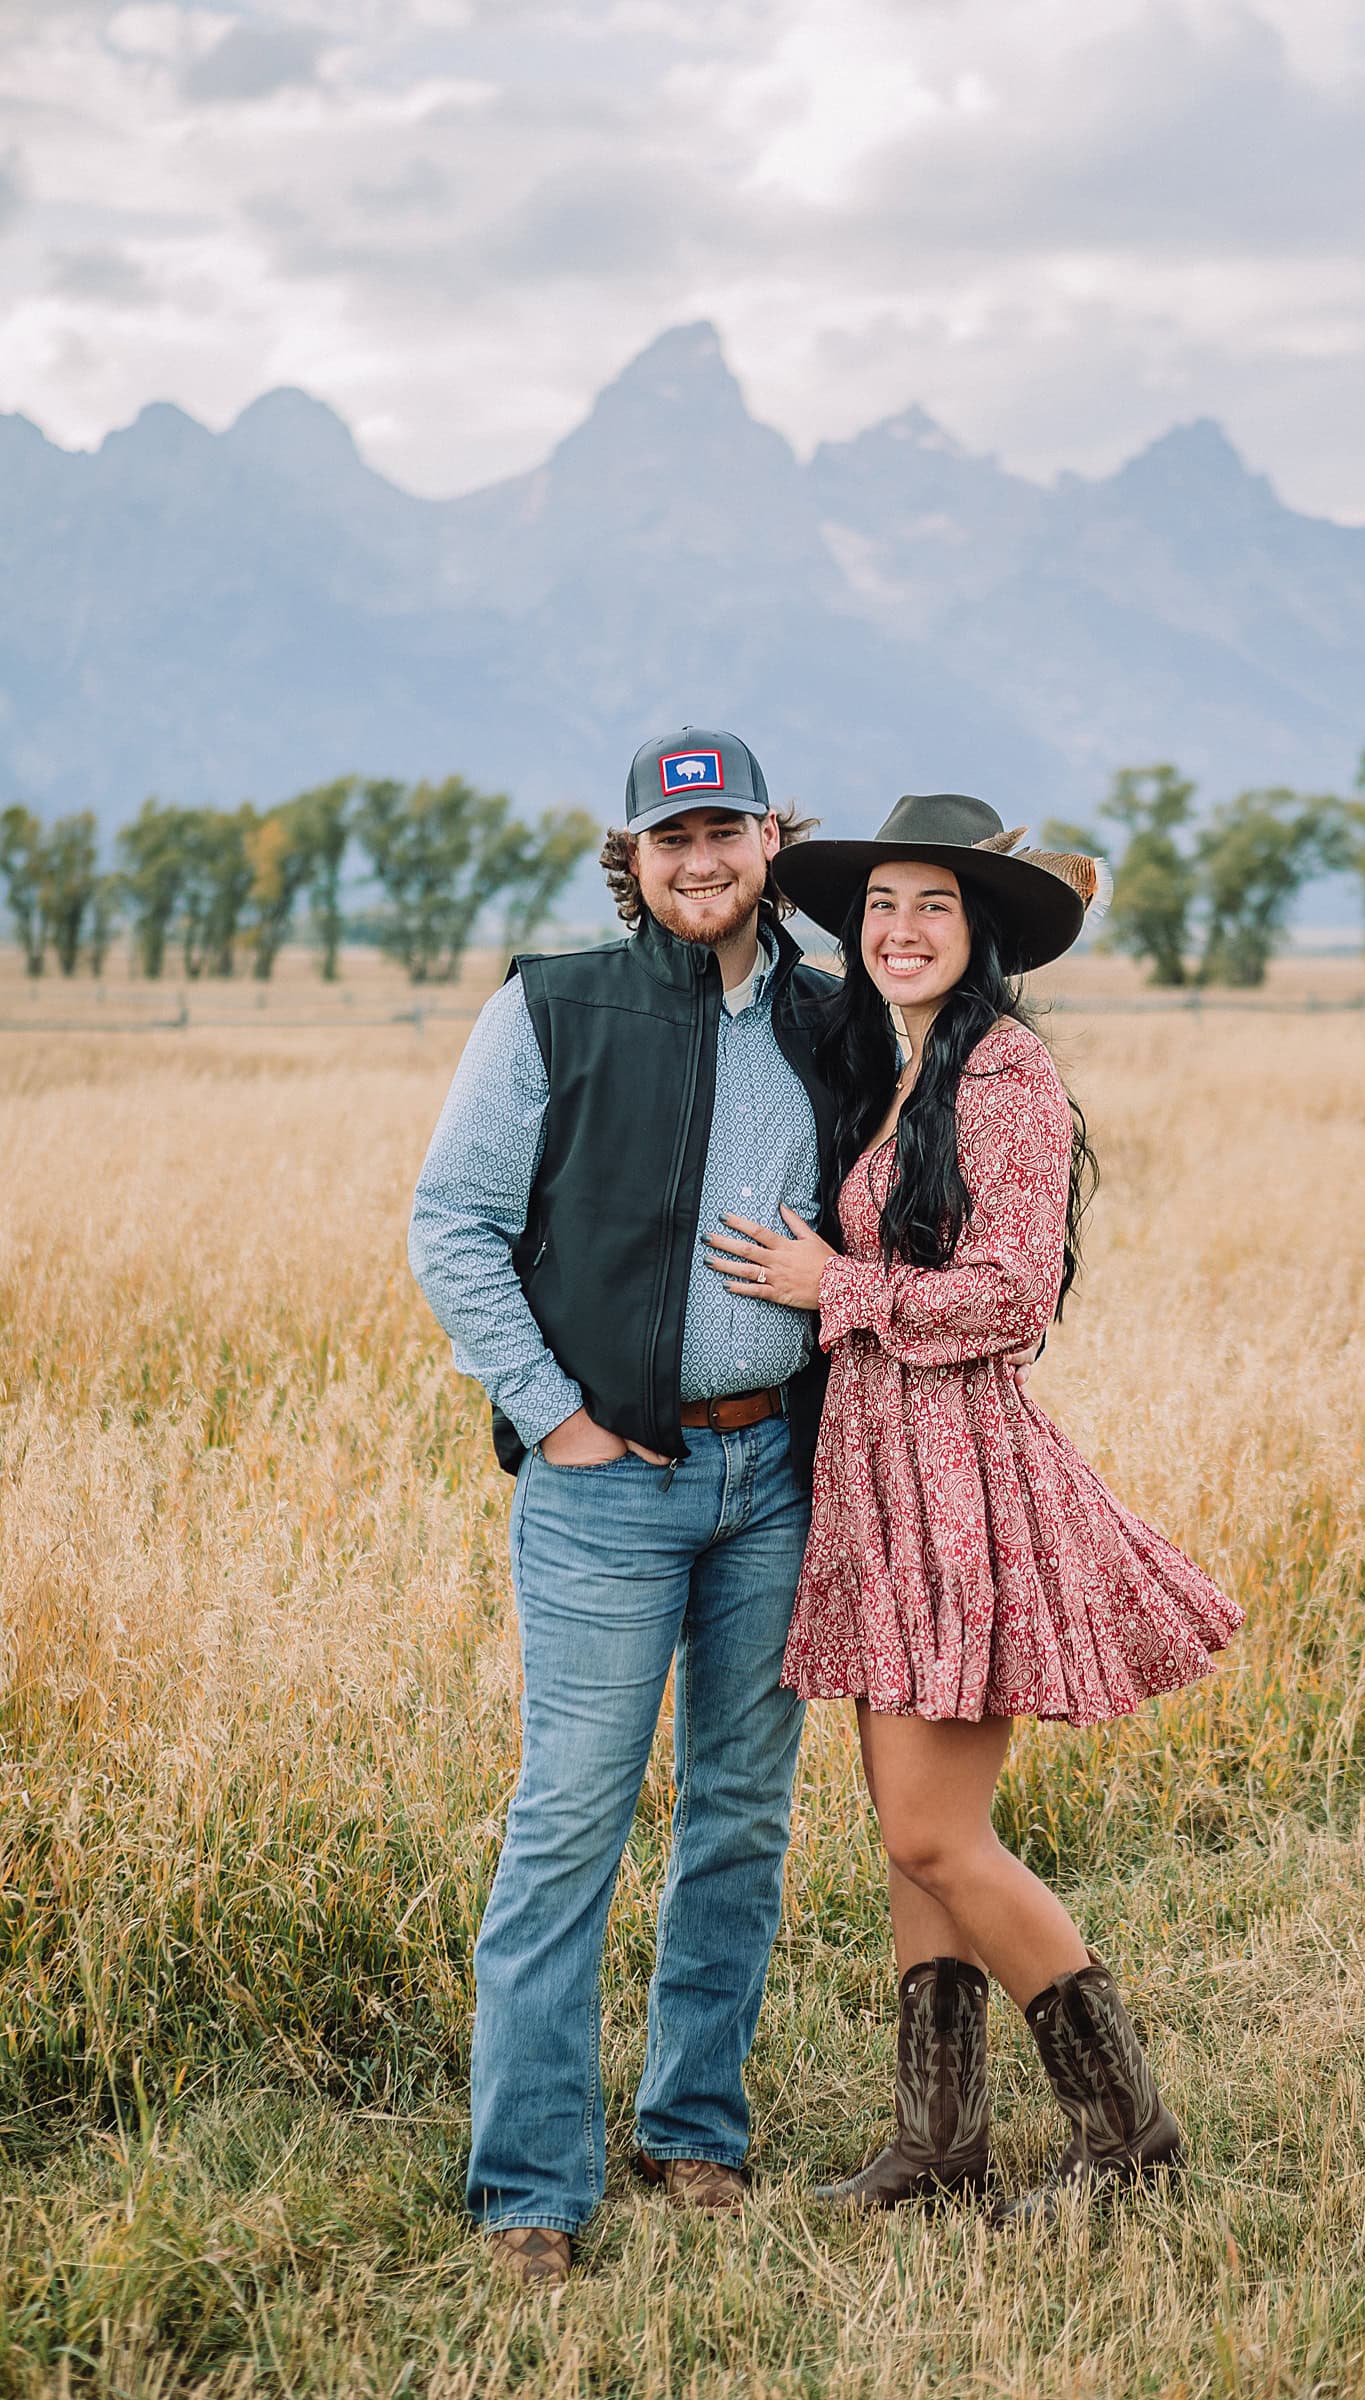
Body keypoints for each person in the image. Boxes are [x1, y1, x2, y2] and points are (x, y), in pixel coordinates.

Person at [703, 791, 1243, 2221]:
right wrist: (754, 863)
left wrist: (835, 1285)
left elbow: (1012, 1294)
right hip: (876, 1475)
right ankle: (938, 2149)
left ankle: (1129, 2136)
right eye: (879, 905)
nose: (900, 929)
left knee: (940, 1835)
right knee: (908, 1835)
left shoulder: (1005, 1073)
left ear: (980, 929)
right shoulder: (890, 1059)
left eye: (932, 905)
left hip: (958, 1481)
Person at [408, 727, 838, 2287]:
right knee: (570, 1820)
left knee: (740, 1811)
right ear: (635, 858)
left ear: (772, 843)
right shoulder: (553, 1006)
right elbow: (452, 1223)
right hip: (607, 1492)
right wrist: (557, 1419)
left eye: (727, 832)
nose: (701, 859)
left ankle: (693, 2126)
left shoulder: (832, 1018)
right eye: (673, 839)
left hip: (773, 1478)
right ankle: (530, 2182)